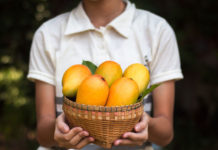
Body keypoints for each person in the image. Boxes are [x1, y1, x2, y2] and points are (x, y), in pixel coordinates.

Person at [27, 0, 183, 149]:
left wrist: (145, 124)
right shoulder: (48, 34)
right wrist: (59, 130)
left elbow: (165, 134)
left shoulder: (157, 31)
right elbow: (42, 134)